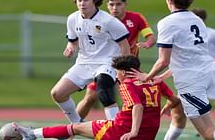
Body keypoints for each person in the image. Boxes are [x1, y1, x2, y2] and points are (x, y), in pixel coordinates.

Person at [127, 0, 215, 140]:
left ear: (169, 0)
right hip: (208, 72)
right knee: (197, 122)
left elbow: (163, 60)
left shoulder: (167, 22)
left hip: (191, 80)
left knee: (208, 132)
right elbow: (186, 57)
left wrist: (146, 77)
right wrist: (162, 77)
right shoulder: (197, 20)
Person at [76, 0, 186, 140]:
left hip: (127, 69)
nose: (115, 8)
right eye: (111, 4)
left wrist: (147, 43)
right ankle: (74, 125)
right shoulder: (101, 19)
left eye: (118, 4)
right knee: (91, 96)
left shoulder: (136, 18)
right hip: (105, 66)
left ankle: (121, 128)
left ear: (125, 5)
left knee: (133, 101)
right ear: (107, 6)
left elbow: (151, 37)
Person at [11, 55, 181, 140]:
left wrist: (133, 131)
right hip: (149, 133)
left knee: (76, 127)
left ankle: (32, 134)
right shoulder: (154, 80)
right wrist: (166, 107)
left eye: (117, 72)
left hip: (122, 131)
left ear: (123, 72)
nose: (116, 76)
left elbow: (138, 106)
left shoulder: (127, 84)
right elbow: (174, 100)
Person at [50, 0, 130, 125]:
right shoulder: (72, 19)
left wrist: (122, 70)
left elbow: (124, 45)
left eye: (86, 0)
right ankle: (77, 123)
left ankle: (116, 128)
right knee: (57, 93)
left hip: (107, 62)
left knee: (103, 92)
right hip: (84, 63)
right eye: (79, 0)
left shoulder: (109, 21)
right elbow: (72, 41)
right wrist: (71, 47)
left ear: (94, 0)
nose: (82, 3)